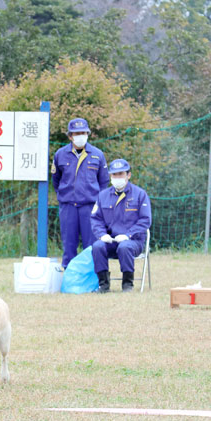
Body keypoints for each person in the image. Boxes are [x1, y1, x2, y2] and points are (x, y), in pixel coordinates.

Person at [51, 117, 109, 269]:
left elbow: (104, 182)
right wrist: (65, 196)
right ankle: (69, 277)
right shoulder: (60, 154)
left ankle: (90, 275)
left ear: (88, 134)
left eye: (83, 132)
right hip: (68, 206)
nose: (80, 136)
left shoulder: (97, 155)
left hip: (90, 206)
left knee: (91, 245)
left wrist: (98, 203)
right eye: (76, 133)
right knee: (69, 243)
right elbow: (56, 180)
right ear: (70, 136)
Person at [90, 158, 152, 293]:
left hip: (133, 241)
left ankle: (127, 285)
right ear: (110, 176)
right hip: (111, 240)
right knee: (97, 246)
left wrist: (128, 234)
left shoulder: (140, 194)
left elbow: (145, 220)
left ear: (128, 175)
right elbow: (96, 219)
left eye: (121, 174)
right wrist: (102, 235)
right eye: (114, 175)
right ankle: (103, 285)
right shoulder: (103, 196)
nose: (117, 177)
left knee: (125, 247)